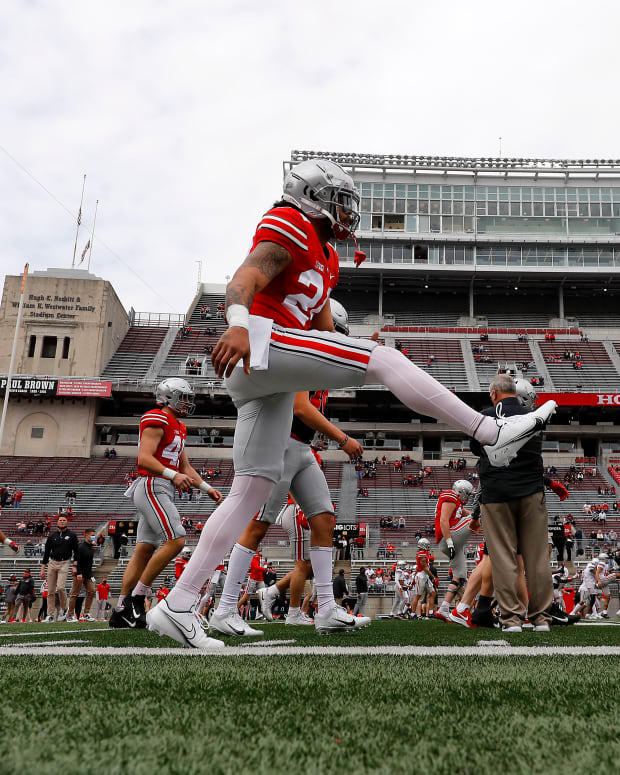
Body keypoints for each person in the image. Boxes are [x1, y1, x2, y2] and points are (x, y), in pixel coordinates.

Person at [147, 157, 556, 648]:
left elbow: (320, 326)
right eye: (340, 202)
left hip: (269, 370)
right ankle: (490, 433)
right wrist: (237, 321)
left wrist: (348, 356)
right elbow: (243, 279)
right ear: (312, 197)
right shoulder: (290, 221)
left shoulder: (326, 257)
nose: (347, 213)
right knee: (382, 358)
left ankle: (180, 603)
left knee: (250, 490)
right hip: (259, 341)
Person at [109, 378, 223, 649]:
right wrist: (173, 475)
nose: (188, 403)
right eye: (183, 397)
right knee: (177, 539)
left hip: (161, 486)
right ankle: (138, 597)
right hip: (152, 485)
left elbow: (184, 465)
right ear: (167, 397)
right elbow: (144, 459)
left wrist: (206, 488)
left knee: (144, 550)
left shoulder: (179, 425)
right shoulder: (155, 417)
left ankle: (121, 610)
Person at [469, 375, 554, 633]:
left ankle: (511, 619)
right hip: (530, 492)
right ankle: (541, 619)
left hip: (496, 495)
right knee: (537, 558)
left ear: (494, 393)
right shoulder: (533, 415)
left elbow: (476, 448)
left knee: (504, 558)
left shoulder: (485, 416)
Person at [433, 480, 477, 622]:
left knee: (460, 575)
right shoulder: (450, 496)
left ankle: (444, 608)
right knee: (479, 513)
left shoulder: (457, 502)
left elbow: (466, 513)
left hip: (450, 538)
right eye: (468, 494)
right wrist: (450, 542)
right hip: (449, 537)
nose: (468, 498)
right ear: (461, 491)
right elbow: (444, 521)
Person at [40, 515, 79, 622]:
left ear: (67, 522)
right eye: (60, 520)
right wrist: (43, 569)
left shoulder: (72, 535)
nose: (62, 522)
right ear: (57, 522)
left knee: (61, 587)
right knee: (50, 591)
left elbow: (76, 552)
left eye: (64, 520)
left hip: (65, 562)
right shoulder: (52, 536)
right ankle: (50, 615)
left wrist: (75, 566)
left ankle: (64, 609)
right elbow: (46, 553)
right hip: (52, 563)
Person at [67, 529, 97, 622]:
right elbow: (77, 561)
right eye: (92, 535)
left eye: (94, 535)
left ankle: (86, 613)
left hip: (88, 574)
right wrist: (78, 573)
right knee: (75, 594)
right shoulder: (80, 547)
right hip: (80, 574)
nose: (93, 537)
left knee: (92, 591)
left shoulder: (90, 547)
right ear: (87, 536)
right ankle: (70, 615)